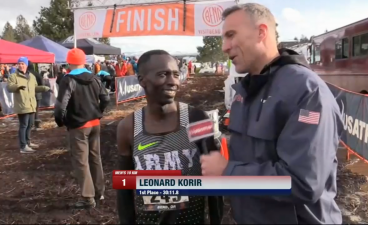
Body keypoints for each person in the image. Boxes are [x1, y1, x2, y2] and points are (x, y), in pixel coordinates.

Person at [200, 3, 343, 224]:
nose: (224, 47)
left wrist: (229, 171)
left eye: (230, 35)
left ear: (261, 32)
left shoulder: (307, 91)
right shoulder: (245, 91)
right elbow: (258, 152)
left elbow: (302, 183)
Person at [116, 50, 223, 224]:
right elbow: (124, 188)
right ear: (142, 80)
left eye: (175, 74)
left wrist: (216, 220)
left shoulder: (196, 119)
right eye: (163, 74)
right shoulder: (128, 127)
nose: (173, 81)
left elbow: (213, 179)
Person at [54, 48, 110, 208]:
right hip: (95, 124)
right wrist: (99, 112)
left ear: (70, 62)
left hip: (78, 125)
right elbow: (105, 98)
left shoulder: (68, 79)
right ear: (84, 61)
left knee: (81, 161)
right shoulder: (94, 77)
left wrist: (61, 121)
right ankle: (100, 192)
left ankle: (87, 198)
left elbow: (60, 106)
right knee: (95, 158)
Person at [7, 57, 51, 153]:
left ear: (26, 65)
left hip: (31, 104)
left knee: (30, 124)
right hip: (22, 105)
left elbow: (34, 88)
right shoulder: (13, 76)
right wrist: (18, 86)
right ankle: (23, 146)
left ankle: (28, 142)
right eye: (19, 64)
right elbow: (9, 87)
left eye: (23, 64)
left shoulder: (32, 76)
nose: (21, 65)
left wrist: (45, 88)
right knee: (24, 125)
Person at [27, 61, 44, 130]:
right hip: (38, 93)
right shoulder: (37, 74)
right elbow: (42, 83)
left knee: (29, 109)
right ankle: (37, 124)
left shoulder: (26, 74)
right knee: (36, 109)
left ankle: (30, 124)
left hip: (29, 94)